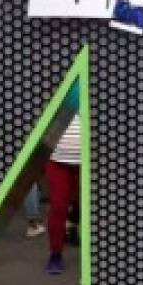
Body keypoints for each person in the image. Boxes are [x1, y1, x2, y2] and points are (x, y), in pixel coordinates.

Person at [45, 112, 82, 275]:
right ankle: (55, 253)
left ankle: (72, 223)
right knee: (58, 207)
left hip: (86, 161)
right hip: (57, 161)